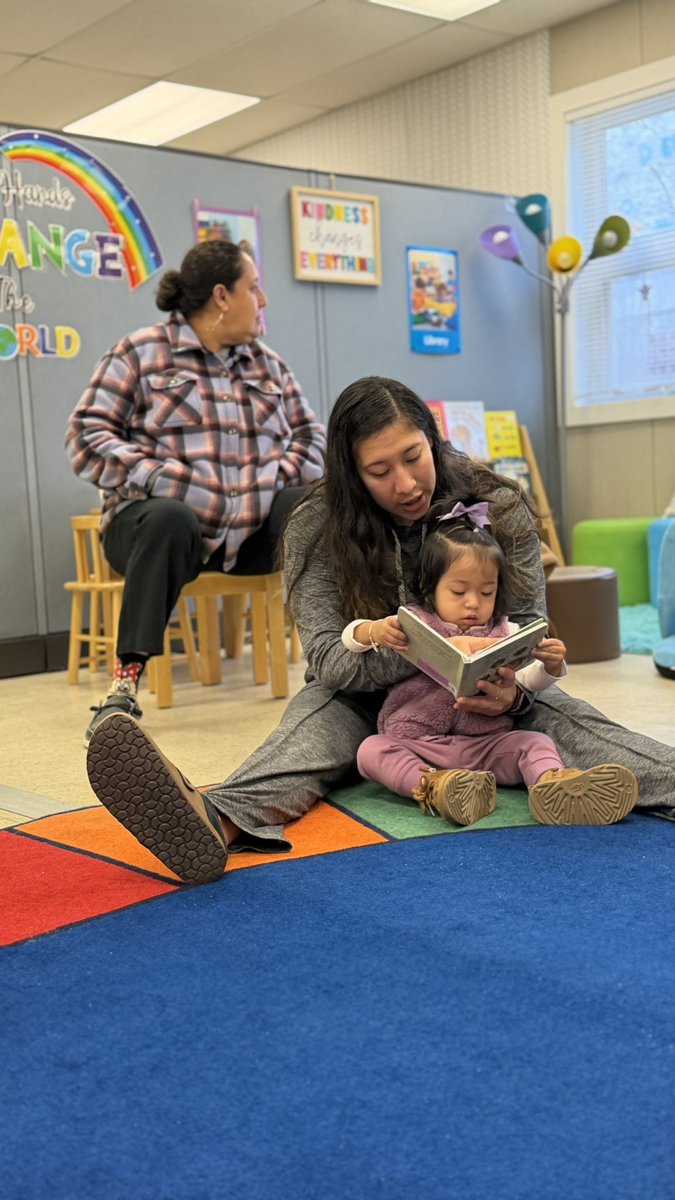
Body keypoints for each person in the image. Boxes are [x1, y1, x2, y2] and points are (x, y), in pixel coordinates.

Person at [85, 376, 675, 887]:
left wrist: (513, 690)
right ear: (353, 474)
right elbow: (327, 660)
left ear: (433, 438)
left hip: (492, 703)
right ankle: (215, 819)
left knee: (582, 729)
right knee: (306, 741)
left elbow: (527, 625)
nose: (407, 483)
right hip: (366, 698)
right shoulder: (316, 526)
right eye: (380, 471)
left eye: (414, 457)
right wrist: (420, 649)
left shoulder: (496, 503)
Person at [65, 240, 326, 746]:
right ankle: (122, 691)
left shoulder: (268, 365)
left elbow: (311, 438)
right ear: (222, 296)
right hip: (155, 529)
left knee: (315, 506)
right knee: (171, 517)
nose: (264, 301)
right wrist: (162, 479)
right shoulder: (140, 353)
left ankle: (333, 666)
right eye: (254, 288)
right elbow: (86, 437)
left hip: (249, 530)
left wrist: (277, 476)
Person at [343, 498, 637, 827]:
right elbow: (349, 639)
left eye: (486, 593)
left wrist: (550, 668)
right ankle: (436, 788)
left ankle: (551, 785)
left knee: (536, 742)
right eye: (458, 592)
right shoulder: (413, 622)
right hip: (419, 745)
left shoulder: (505, 630)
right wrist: (372, 631)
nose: (473, 603)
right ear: (429, 587)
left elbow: (526, 680)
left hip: (485, 747)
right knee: (371, 750)